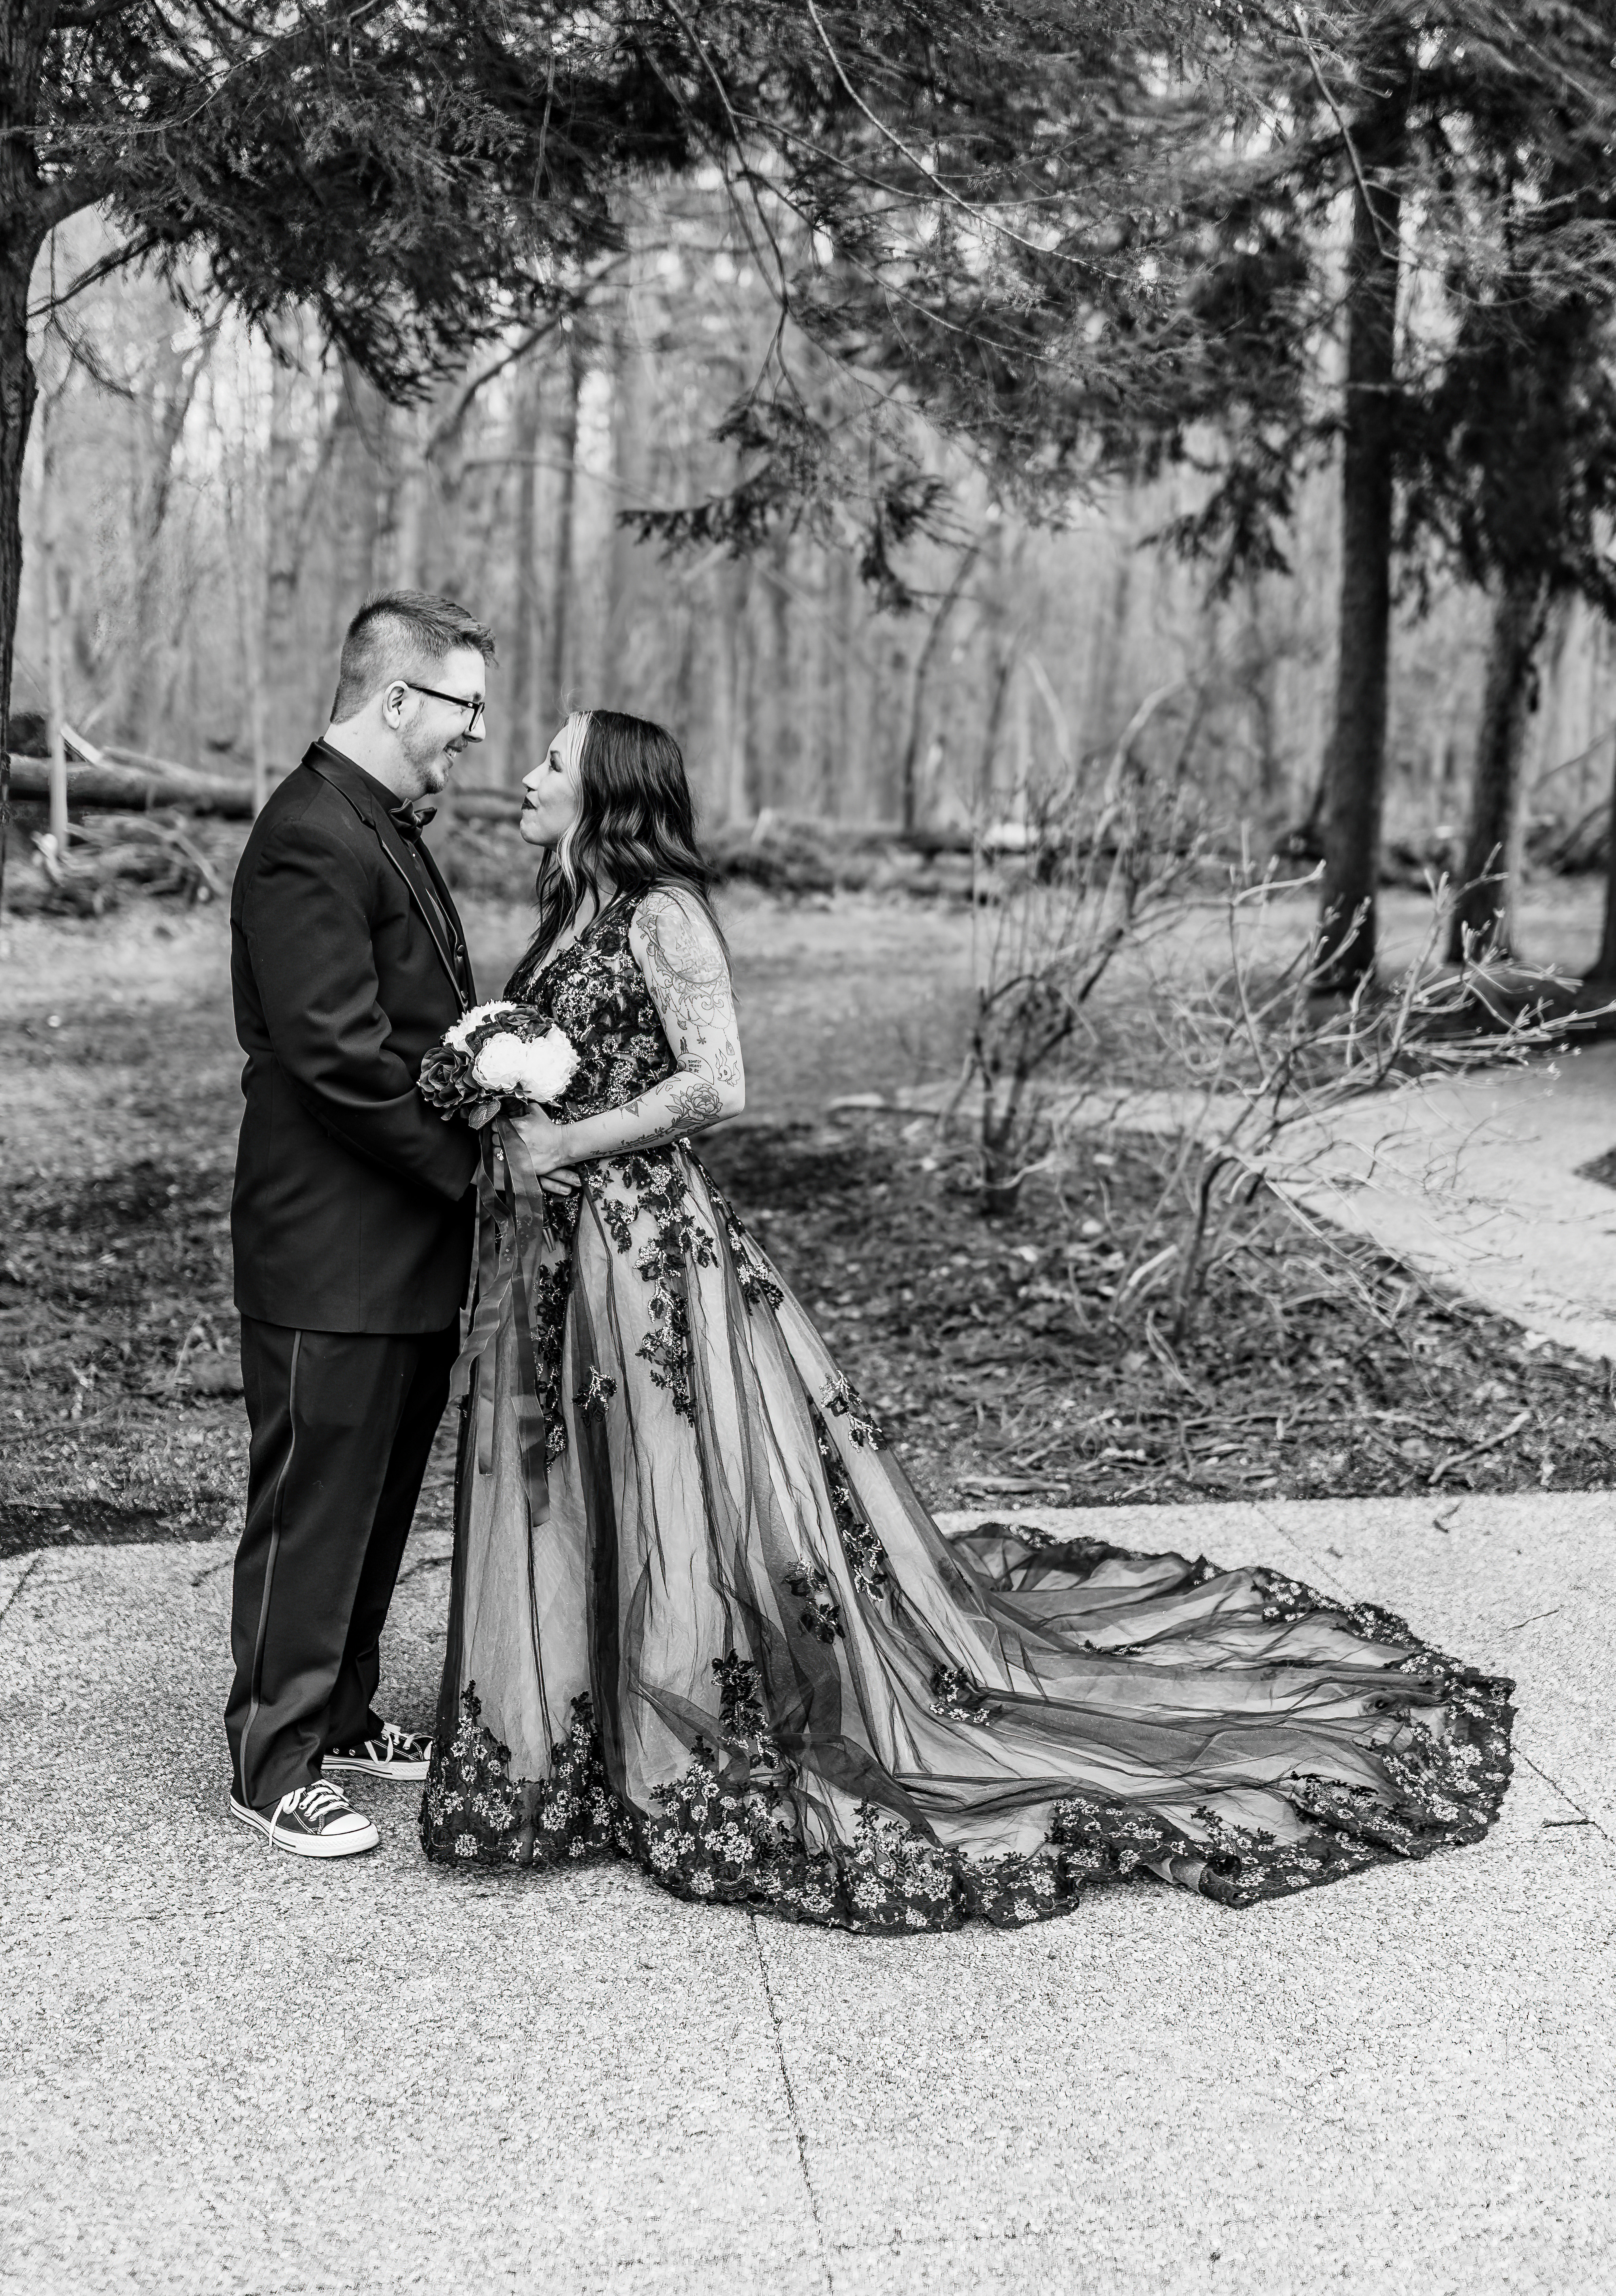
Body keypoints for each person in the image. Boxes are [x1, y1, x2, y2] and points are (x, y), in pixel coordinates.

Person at [421, 709, 1513, 1929]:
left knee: (677, 1483)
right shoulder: (569, 909)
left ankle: (685, 1706)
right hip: (560, 1247)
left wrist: (569, 1135)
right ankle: (585, 1712)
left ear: (605, 790)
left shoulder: (662, 911)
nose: (526, 772)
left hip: (645, 1250)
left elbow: (718, 1081)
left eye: (552, 761)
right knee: (592, 1477)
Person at [226, 592, 493, 1858]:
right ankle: (272, 1758)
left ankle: (340, 1710)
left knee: (379, 1490)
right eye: (465, 705)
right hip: (328, 1241)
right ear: (399, 699)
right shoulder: (307, 835)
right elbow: (334, 1055)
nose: (476, 733)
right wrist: (472, 1166)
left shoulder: (379, 823)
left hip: (401, 1245)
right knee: (314, 1499)